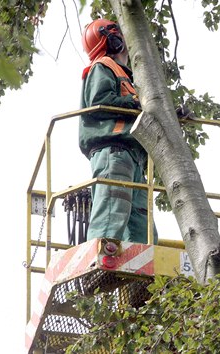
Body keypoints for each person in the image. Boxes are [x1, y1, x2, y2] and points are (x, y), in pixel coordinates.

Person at [79, 18, 157, 244]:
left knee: (142, 225)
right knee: (111, 214)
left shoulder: (128, 77)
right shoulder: (103, 66)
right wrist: (135, 104)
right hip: (113, 151)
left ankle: (143, 264)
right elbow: (99, 100)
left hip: (132, 156)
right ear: (112, 40)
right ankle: (101, 256)